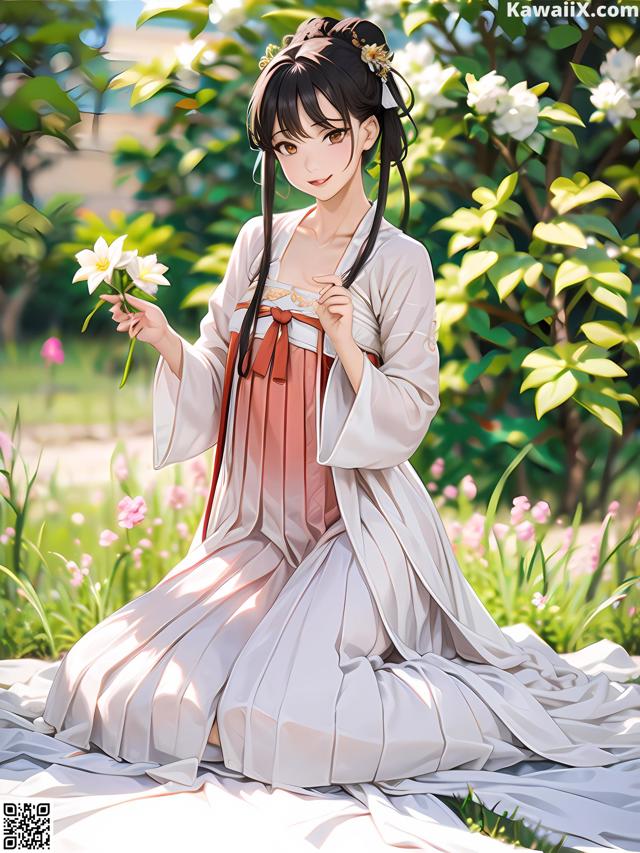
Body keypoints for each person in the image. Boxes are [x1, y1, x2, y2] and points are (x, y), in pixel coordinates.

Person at [7, 15, 639, 850]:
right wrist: (164, 339)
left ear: (368, 131)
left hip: (358, 530)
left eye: (325, 137)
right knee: (107, 681)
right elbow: (219, 377)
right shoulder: (256, 242)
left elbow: (411, 411)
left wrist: (347, 346)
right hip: (263, 529)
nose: (304, 163)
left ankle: (490, 712)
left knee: (280, 711)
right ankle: (263, 696)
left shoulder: (399, 259)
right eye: (285, 144)